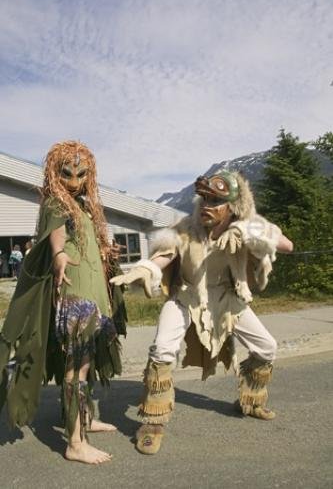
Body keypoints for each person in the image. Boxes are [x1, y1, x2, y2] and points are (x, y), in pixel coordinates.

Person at [111, 170, 293, 454]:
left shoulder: (246, 226)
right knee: (162, 350)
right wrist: (146, 268)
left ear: (232, 206)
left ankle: (252, 401)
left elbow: (286, 245)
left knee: (267, 348)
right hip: (187, 296)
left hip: (228, 299)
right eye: (204, 199)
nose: (207, 205)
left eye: (216, 201)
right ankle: (152, 422)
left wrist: (245, 230)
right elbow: (166, 253)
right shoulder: (187, 228)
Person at [0, 141, 127, 464]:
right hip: (76, 299)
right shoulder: (57, 203)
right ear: (55, 173)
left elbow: (84, 245)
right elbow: (56, 235)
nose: (73, 180)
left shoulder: (83, 206)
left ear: (89, 175)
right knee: (77, 369)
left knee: (85, 365)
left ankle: (84, 420)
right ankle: (74, 442)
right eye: (66, 173)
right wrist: (58, 254)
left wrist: (107, 254)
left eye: (80, 174)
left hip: (94, 295)